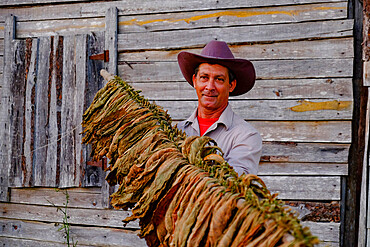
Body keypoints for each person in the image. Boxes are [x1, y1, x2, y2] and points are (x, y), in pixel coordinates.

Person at [176, 40, 262, 175]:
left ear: (231, 85)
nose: (210, 87)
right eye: (204, 77)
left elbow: (232, 183)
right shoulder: (177, 131)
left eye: (219, 79)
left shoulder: (246, 136)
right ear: (195, 81)